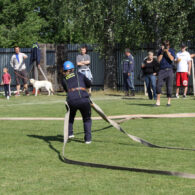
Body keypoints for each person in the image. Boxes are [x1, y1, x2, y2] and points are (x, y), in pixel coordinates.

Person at [62, 61, 92, 144]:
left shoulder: (64, 80)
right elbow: (89, 84)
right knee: (87, 119)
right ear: (72, 69)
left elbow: (66, 90)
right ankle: (88, 139)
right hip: (84, 99)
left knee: (70, 117)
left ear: (65, 71)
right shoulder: (80, 75)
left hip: (71, 101)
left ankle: (70, 134)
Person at [156, 40, 176, 106]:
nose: (166, 46)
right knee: (158, 85)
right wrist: (162, 52)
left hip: (169, 70)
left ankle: (168, 102)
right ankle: (158, 101)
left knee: (169, 86)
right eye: (164, 45)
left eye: (167, 45)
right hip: (162, 70)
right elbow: (158, 60)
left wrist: (167, 51)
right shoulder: (160, 51)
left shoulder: (172, 51)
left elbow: (172, 59)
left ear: (169, 45)